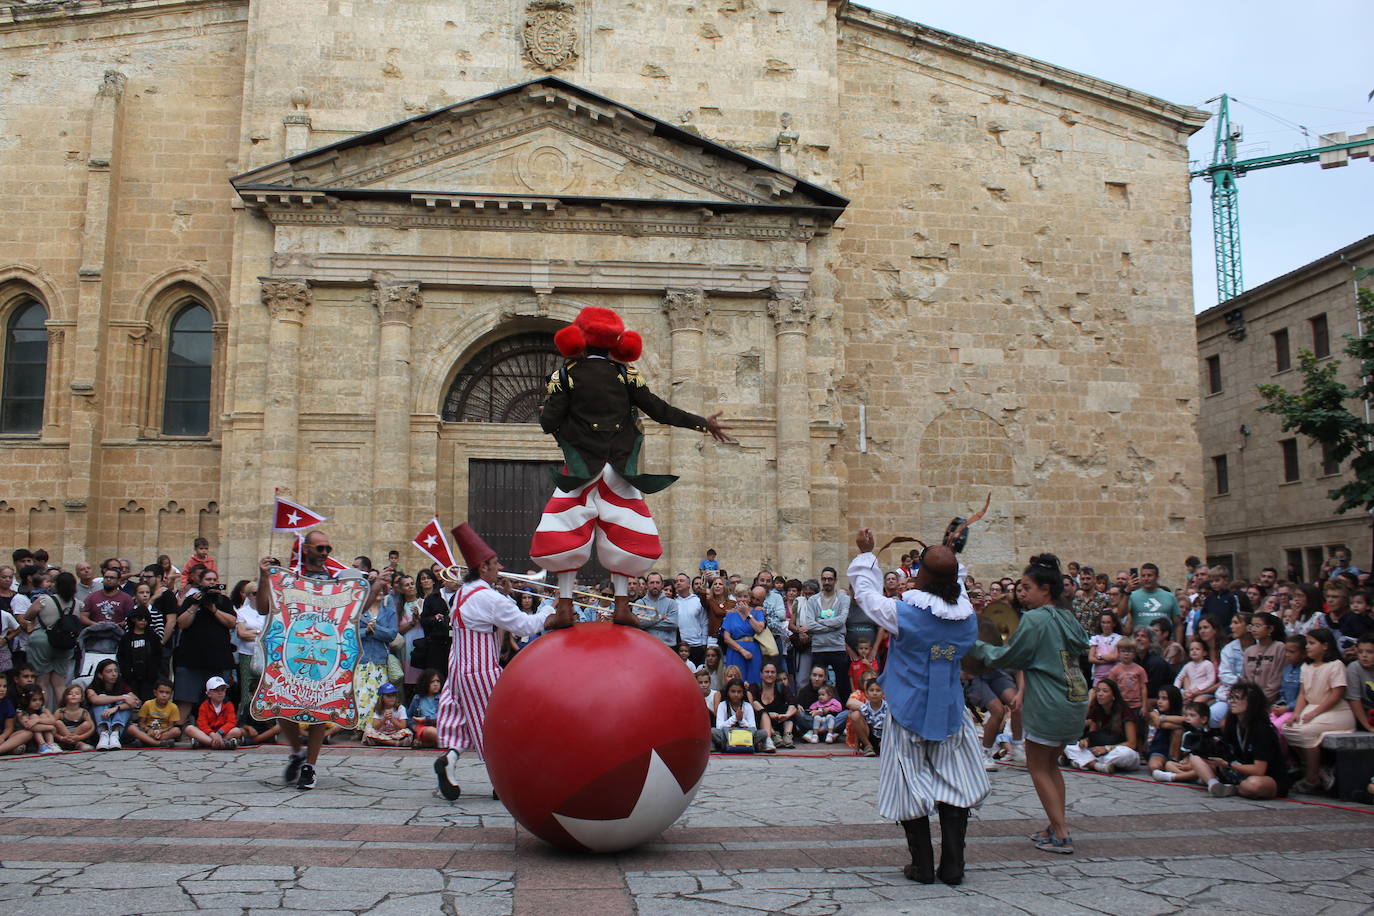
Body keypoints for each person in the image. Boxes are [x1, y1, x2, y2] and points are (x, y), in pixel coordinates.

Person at [531, 306, 731, 629]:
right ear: (616, 343)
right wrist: (701, 423)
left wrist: (552, 414)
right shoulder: (626, 375)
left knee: (565, 533)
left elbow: (547, 423)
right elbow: (661, 411)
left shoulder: (565, 376)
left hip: (581, 470)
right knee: (624, 534)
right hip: (619, 469)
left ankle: (565, 607)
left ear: (578, 340)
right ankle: (623, 606)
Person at [850, 531, 989, 885]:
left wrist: (867, 554)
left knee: (908, 782)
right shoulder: (968, 617)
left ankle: (922, 865)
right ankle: (953, 865)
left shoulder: (902, 613)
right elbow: (951, 579)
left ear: (922, 576)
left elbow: (866, 595)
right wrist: (948, 554)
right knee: (955, 781)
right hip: (950, 710)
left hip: (908, 707)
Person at [968, 553, 1088, 857]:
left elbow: (1006, 657)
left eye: (1027, 587)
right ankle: (1055, 824)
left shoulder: (1035, 618)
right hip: (1074, 696)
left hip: (1049, 698)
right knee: (1051, 766)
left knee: (1038, 766)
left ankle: (1061, 834)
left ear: (1045, 590)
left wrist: (978, 645)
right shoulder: (1067, 616)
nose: (1022, 593)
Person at [255, 528, 389, 790]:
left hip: (325, 653)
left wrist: (376, 587)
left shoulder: (335, 582)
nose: (325, 553)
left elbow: (355, 611)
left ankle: (310, 766)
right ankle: (296, 752)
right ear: (306, 549)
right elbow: (262, 608)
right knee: (282, 704)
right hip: (290, 653)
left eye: (328, 548)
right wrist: (262, 577)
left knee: (320, 709)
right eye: (320, 548)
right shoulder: (288, 579)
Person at [434, 524, 554, 801]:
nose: (501, 567)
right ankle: (502, 784)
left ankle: (449, 761)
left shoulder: (461, 593)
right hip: (481, 670)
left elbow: (490, 614)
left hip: (457, 669)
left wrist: (507, 596)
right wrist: (548, 605)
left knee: (459, 720)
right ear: (484, 567)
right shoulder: (489, 597)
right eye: (496, 563)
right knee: (493, 727)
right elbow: (525, 626)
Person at [1284, 628, 1359, 793]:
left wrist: (1315, 712)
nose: (1308, 647)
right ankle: (1316, 768)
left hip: (1336, 711)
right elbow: (1303, 693)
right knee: (1288, 729)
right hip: (1311, 709)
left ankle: (1312, 777)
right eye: (1307, 644)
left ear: (1325, 646)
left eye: (1312, 643)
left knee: (1306, 732)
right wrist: (1296, 713)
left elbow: (1336, 694)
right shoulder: (1306, 667)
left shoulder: (1335, 665)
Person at [1187, 680, 1288, 799]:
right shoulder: (1232, 724)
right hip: (1239, 771)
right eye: (1230, 698)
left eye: (1237, 698)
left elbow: (1259, 770)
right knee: (1196, 758)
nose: (1232, 702)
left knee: (1253, 785)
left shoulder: (1262, 729)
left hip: (1266, 777)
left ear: (1251, 702)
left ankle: (1233, 788)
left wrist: (1228, 764)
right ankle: (1214, 785)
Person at [172, 568, 238, 724]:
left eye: (214, 579)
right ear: (200, 582)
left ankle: (219, 729)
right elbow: (182, 623)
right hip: (191, 657)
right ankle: (177, 729)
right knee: (185, 697)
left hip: (218, 658)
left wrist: (213, 609)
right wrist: (195, 605)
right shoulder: (191, 599)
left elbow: (231, 623)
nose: (212, 582)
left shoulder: (224, 601)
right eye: (208, 580)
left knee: (218, 696)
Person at [22, 571, 78, 709]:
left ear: (56, 585)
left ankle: (42, 713)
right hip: (65, 644)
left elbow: (27, 616)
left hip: (42, 640)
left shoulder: (44, 600)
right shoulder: (77, 604)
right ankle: (64, 715)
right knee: (59, 684)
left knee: (42, 683)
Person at [1064, 679, 1141, 773]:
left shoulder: (1125, 712)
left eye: (1105, 691)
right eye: (1098, 691)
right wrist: (1085, 741)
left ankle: (1085, 762)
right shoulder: (1097, 710)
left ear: (1113, 696)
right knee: (1070, 746)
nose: (1100, 694)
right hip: (1100, 753)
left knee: (1125, 753)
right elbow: (1093, 735)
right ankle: (1096, 765)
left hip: (1117, 751)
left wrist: (1107, 748)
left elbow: (1132, 744)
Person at [800, 568, 851, 700]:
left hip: (837, 647)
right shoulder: (813, 600)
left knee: (842, 685)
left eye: (830, 579)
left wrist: (821, 622)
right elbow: (810, 624)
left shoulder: (844, 598)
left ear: (835, 580)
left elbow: (841, 621)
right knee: (816, 684)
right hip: (818, 647)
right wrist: (832, 626)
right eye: (824, 579)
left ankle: (843, 713)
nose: (827, 582)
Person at [85, 658, 139, 751]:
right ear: (100, 675)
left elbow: (135, 702)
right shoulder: (92, 687)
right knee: (102, 697)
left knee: (127, 698)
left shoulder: (122, 685)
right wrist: (121, 697)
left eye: (115, 671)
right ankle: (104, 734)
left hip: (119, 727)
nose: (114, 674)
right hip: (97, 728)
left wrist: (117, 708)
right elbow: (95, 700)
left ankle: (115, 734)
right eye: (109, 671)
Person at [720, 587, 765, 686]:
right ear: (736, 598)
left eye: (745, 596)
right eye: (739, 596)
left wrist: (747, 614)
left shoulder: (757, 612)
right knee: (735, 679)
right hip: (735, 650)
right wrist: (742, 650)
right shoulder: (731, 614)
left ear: (750, 598)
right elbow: (726, 638)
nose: (742, 599)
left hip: (753, 649)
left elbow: (759, 629)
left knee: (754, 680)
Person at [116, 607, 163, 702]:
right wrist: (126, 672)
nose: (143, 621)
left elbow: (158, 655)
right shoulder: (126, 638)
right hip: (131, 676)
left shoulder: (153, 637)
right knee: (133, 701)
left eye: (146, 619)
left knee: (148, 701)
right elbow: (121, 656)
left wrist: (154, 672)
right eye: (140, 618)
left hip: (149, 676)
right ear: (133, 619)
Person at [186, 675, 243, 749]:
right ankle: (221, 743)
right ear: (209, 693)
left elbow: (231, 722)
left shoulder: (229, 705)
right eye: (216, 690)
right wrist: (212, 734)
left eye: (222, 690)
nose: (220, 693)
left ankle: (206, 743)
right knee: (189, 729)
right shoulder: (204, 706)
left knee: (237, 731)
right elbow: (202, 724)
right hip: (208, 734)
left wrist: (220, 732)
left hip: (223, 733)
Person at [711, 678, 767, 752]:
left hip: (745, 736)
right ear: (728, 692)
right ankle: (746, 746)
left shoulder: (747, 706)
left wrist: (741, 720)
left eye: (739, 692)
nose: (736, 695)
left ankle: (733, 746)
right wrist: (734, 718)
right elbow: (719, 726)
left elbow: (753, 727)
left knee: (763, 733)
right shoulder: (722, 705)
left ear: (743, 693)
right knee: (713, 731)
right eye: (733, 691)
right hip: (728, 736)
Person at [1124, 563, 1179, 633]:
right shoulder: (1132, 596)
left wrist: (1178, 643)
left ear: (1157, 577)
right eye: (1143, 576)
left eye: (1149, 575)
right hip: (1140, 640)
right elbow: (1121, 614)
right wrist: (1127, 591)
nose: (1146, 579)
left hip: (1163, 641)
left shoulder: (1170, 596)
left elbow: (1178, 624)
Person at [126, 679, 182, 748]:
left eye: (167, 693)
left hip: (163, 732)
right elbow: (141, 723)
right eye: (161, 692)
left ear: (171, 694)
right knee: (131, 728)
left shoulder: (173, 707)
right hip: (148, 731)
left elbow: (171, 726)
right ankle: (158, 743)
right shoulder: (148, 704)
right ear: (155, 693)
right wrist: (148, 730)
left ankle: (146, 741)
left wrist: (160, 731)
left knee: (176, 731)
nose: (164, 695)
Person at [1146, 685, 1186, 776]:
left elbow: (1185, 720)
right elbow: (1162, 724)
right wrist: (1179, 725)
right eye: (1159, 698)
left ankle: (1174, 762)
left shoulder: (1181, 713)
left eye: (1164, 699)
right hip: (1159, 748)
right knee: (1154, 766)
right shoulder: (1154, 713)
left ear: (1173, 700)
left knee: (1178, 731)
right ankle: (1172, 770)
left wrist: (1163, 718)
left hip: (1177, 751)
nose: (1160, 702)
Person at [847, 678, 888, 758]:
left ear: (883, 693)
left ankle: (884, 748)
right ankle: (868, 746)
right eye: (871, 690)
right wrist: (857, 746)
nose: (874, 693)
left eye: (878, 690)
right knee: (855, 715)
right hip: (870, 737)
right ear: (866, 693)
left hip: (885, 738)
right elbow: (858, 727)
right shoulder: (864, 707)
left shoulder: (888, 707)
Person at [363, 682, 413, 747]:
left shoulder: (400, 708)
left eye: (393, 695)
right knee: (368, 732)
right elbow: (375, 726)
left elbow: (403, 726)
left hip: (396, 733)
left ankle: (383, 742)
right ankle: (394, 743)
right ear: (382, 698)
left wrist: (392, 719)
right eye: (388, 696)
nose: (392, 698)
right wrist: (384, 719)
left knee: (408, 734)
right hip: (381, 733)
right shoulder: (379, 708)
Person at [16, 687, 61, 754]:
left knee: (43, 716)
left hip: (42, 732)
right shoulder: (21, 712)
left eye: (40, 699)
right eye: (34, 700)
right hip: (28, 738)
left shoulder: (43, 709)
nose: (38, 702)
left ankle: (50, 744)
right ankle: (42, 745)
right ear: (26, 700)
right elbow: (29, 727)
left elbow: (53, 720)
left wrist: (38, 720)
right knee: (34, 716)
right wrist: (50, 727)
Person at [1105, 642, 1148, 712]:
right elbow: (1111, 688)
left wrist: (1144, 706)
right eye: (1123, 651)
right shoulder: (1114, 670)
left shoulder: (1140, 669)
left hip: (1136, 706)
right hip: (1120, 705)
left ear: (1134, 654)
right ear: (1118, 653)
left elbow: (1143, 688)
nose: (1126, 654)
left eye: (1130, 651)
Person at [52, 683, 95, 751]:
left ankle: (75, 742)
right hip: (63, 738)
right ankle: (77, 744)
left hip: (78, 735)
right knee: (58, 723)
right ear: (65, 697)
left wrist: (79, 737)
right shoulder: (60, 712)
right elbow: (52, 727)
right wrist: (61, 738)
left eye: (77, 694)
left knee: (87, 724)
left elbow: (92, 727)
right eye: (70, 694)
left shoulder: (84, 712)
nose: (73, 695)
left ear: (81, 698)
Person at [1175, 639, 1218, 704]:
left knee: (1197, 702)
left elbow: (1211, 680)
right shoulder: (1188, 665)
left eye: (1197, 649)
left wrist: (1198, 689)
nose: (1194, 651)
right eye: (1191, 649)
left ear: (1204, 653)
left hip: (1203, 692)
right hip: (1190, 691)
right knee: (1180, 699)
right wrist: (1176, 689)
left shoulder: (1208, 664)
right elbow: (1179, 678)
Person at [1347, 634, 1374, 732]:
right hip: (1364, 715)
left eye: (1370, 652)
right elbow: (1354, 700)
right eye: (1360, 652)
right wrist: (1368, 726)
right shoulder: (1354, 668)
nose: (1364, 655)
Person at [409, 668, 442, 748]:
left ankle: (426, 744)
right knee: (432, 731)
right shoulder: (417, 698)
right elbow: (409, 716)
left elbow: (442, 716)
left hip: (439, 726)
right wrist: (413, 726)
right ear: (425, 683)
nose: (436, 684)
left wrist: (427, 719)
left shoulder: (442, 698)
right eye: (432, 682)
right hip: (424, 728)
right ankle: (445, 743)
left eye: (438, 681)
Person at [1087, 612, 1122, 684]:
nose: (1106, 625)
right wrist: (1108, 660)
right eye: (1103, 622)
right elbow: (1091, 658)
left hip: (1114, 675)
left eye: (1108, 622)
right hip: (1098, 676)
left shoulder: (1118, 638)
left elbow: (1114, 657)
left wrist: (1100, 656)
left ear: (1114, 624)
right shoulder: (1095, 639)